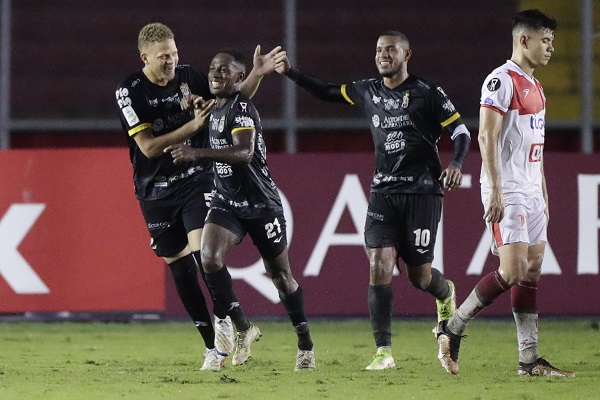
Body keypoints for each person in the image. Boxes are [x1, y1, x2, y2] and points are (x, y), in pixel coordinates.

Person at [276, 31, 471, 370]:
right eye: (379, 50)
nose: (383, 55)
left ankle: (445, 293)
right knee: (379, 264)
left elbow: (461, 132)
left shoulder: (427, 94)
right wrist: (291, 72)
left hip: (422, 193)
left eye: (390, 50)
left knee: (419, 278)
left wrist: (455, 163)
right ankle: (383, 351)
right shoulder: (367, 90)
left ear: (406, 54)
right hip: (383, 193)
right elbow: (326, 91)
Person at [115, 22, 285, 371]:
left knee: (203, 255)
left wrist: (256, 73)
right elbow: (147, 147)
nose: (173, 61)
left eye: (175, 53)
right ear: (145, 57)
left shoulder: (189, 76)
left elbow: (232, 102)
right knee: (178, 268)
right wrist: (192, 127)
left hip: (197, 177)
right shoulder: (130, 90)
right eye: (164, 56)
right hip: (155, 189)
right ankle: (214, 344)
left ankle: (233, 327)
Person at [435, 9, 575, 377]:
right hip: (507, 190)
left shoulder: (538, 87)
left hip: (531, 191)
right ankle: (453, 327)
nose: (550, 49)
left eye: (552, 42)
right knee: (512, 270)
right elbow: (486, 136)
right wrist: (495, 189)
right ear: (524, 40)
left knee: (531, 273)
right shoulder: (501, 81)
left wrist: (543, 190)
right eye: (545, 41)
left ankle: (528, 359)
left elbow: (536, 144)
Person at [165, 50, 316, 371]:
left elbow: (245, 152)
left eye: (225, 71)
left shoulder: (242, 108)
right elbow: (212, 105)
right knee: (208, 259)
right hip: (227, 202)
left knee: (281, 277)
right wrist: (193, 103)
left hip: (262, 205)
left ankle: (305, 344)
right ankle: (244, 327)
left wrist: (196, 153)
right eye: (212, 68)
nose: (216, 74)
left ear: (237, 79)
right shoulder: (215, 106)